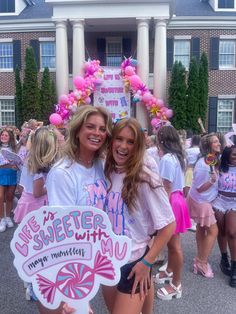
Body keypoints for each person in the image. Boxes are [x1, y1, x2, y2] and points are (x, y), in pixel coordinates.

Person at [37, 105, 112, 314]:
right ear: (78, 130)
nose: (97, 133)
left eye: (102, 129)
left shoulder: (99, 165)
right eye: (90, 127)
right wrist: (74, 292)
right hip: (61, 263)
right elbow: (62, 234)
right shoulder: (63, 173)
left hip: (86, 258)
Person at [102, 118, 176, 314]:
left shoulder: (146, 178)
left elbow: (168, 225)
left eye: (130, 141)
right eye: (119, 139)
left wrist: (146, 262)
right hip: (106, 262)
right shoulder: (105, 172)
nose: (123, 146)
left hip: (133, 263)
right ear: (111, 141)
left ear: (139, 146)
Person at [155, 125, 191, 300]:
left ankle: (176, 284)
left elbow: (166, 187)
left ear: (161, 140)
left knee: (175, 245)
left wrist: (162, 209)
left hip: (171, 201)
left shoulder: (167, 159)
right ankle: (169, 271)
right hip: (177, 200)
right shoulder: (176, 157)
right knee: (171, 244)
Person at [187, 133, 220, 278]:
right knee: (213, 231)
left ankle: (199, 258)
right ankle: (202, 262)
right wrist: (212, 181)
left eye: (219, 141)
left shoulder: (213, 160)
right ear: (208, 146)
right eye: (215, 142)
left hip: (203, 199)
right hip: (201, 201)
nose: (219, 143)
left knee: (201, 228)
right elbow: (199, 187)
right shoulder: (202, 164)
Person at [212, 145, 236, 287]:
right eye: (234, 155)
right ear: (227, 155)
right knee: (221, 231)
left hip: (234, 203)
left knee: (232, 233)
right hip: (219, 201)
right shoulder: (219, 167)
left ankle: (234, 267)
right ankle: (224, 258)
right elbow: (206, 161)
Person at [0, 128, 17, 232]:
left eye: (6, 135)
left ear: (10, 137)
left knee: (10, 196)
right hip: (0, 174)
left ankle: (7, 217)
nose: (3, 137)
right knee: (0, 197)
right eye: (2, 135)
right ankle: (1, 219)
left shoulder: (14, 148)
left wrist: (16, 165)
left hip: (11, 174)